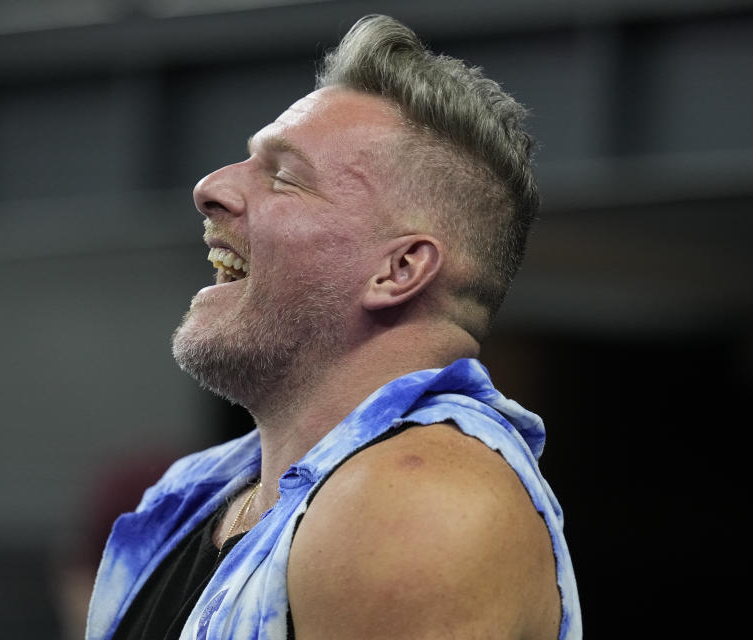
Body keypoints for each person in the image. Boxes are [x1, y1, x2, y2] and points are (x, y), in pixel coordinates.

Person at [86, 13, 581, 640]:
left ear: (399, 269)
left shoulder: (417, 502)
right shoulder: (194, 501)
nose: (210, 188)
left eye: (285, 177)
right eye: (245, 162)